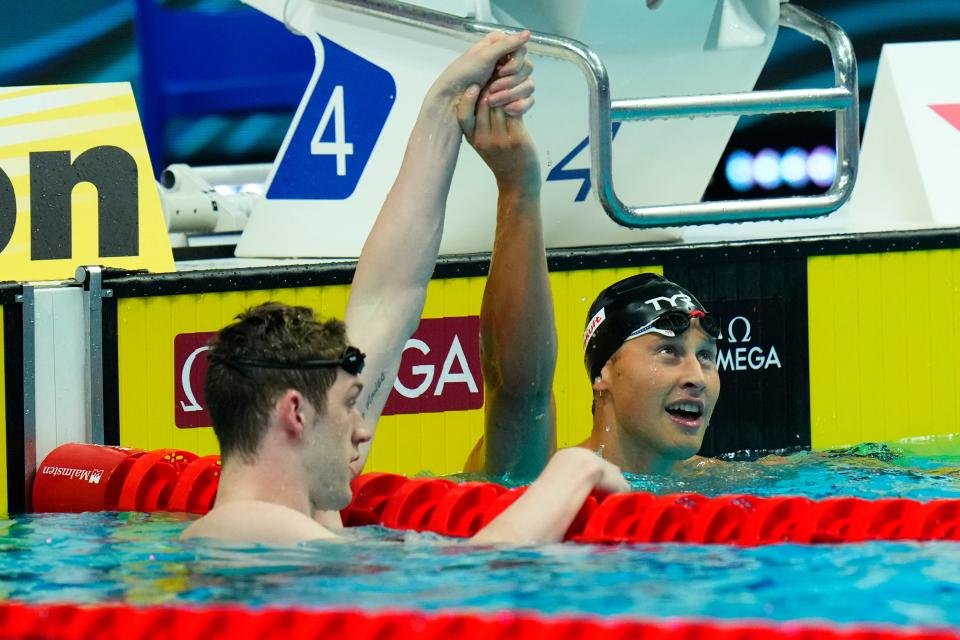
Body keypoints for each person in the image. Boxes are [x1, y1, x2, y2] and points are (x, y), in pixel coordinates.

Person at [181, 34, 629, 545]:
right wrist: (573, 472)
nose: (364, 425)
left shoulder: (303, 514)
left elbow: (387, 301)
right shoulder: (252, 529)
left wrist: (445, 104)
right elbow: (465, 590)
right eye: (351, 404)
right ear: (294, 413)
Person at [463, 113, 721, 477]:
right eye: (669, 351)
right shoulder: (543, 479)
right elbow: (518, 390)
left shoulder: (725, 482)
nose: (696, 376)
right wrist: (517, 189)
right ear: (603, 373)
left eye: (706, 356)